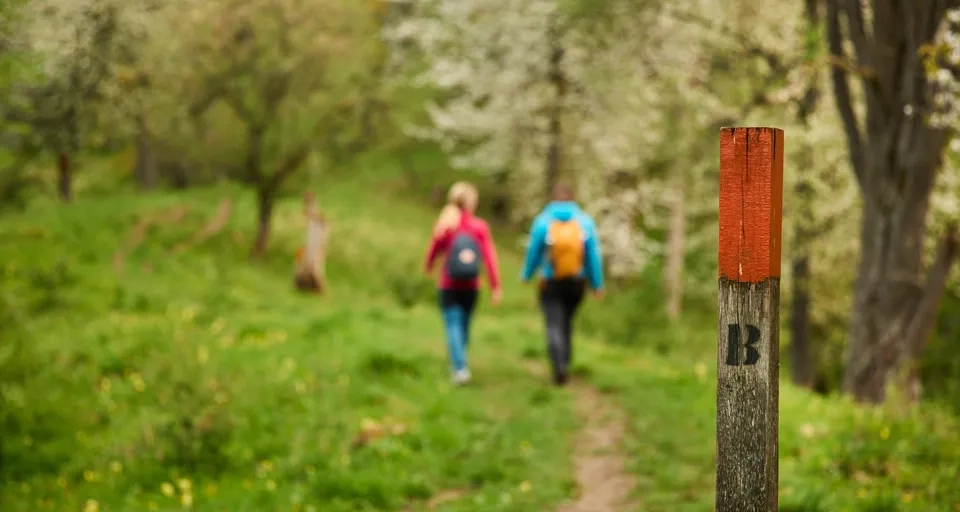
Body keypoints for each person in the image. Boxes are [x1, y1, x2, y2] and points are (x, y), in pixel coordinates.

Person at [520, 183, 605, 386]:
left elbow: (534, 251)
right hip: (576, 282)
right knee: (567, 321)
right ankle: (565, 361)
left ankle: (558, 365)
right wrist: (597, 284)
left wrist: (527, 273)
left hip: (551, 281)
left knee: (553, 323)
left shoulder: (544, 221)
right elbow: (592, 255)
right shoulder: (584, 222)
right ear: (573, 199)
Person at [424, 181, 503, 385]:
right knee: (464, 326)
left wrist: (429, 267)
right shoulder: (479, 227)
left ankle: (459, 367)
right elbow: (489, 257)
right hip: (471, 286)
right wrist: (495, 286)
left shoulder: (446, 225)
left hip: (448, 284)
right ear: (472, 203)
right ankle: (460, 363)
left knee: (453, 325)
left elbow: (433, 249)